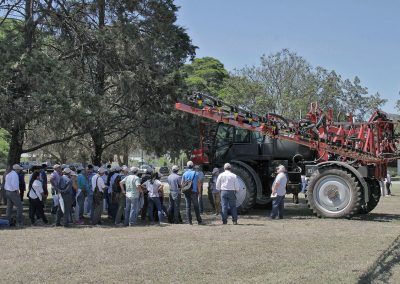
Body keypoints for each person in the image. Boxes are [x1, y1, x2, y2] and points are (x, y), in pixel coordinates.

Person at [181, 161, 203, 225]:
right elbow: (199, 183)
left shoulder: (184, 174)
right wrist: (199, 192)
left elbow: (182, 183)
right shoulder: (196, 173)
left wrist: (182, 191)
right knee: (196, 206)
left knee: (188, 207)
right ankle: (199, 221)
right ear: (193, 166)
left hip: (187, 192)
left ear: (187, 166)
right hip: (194, 192)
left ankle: (189, 221)